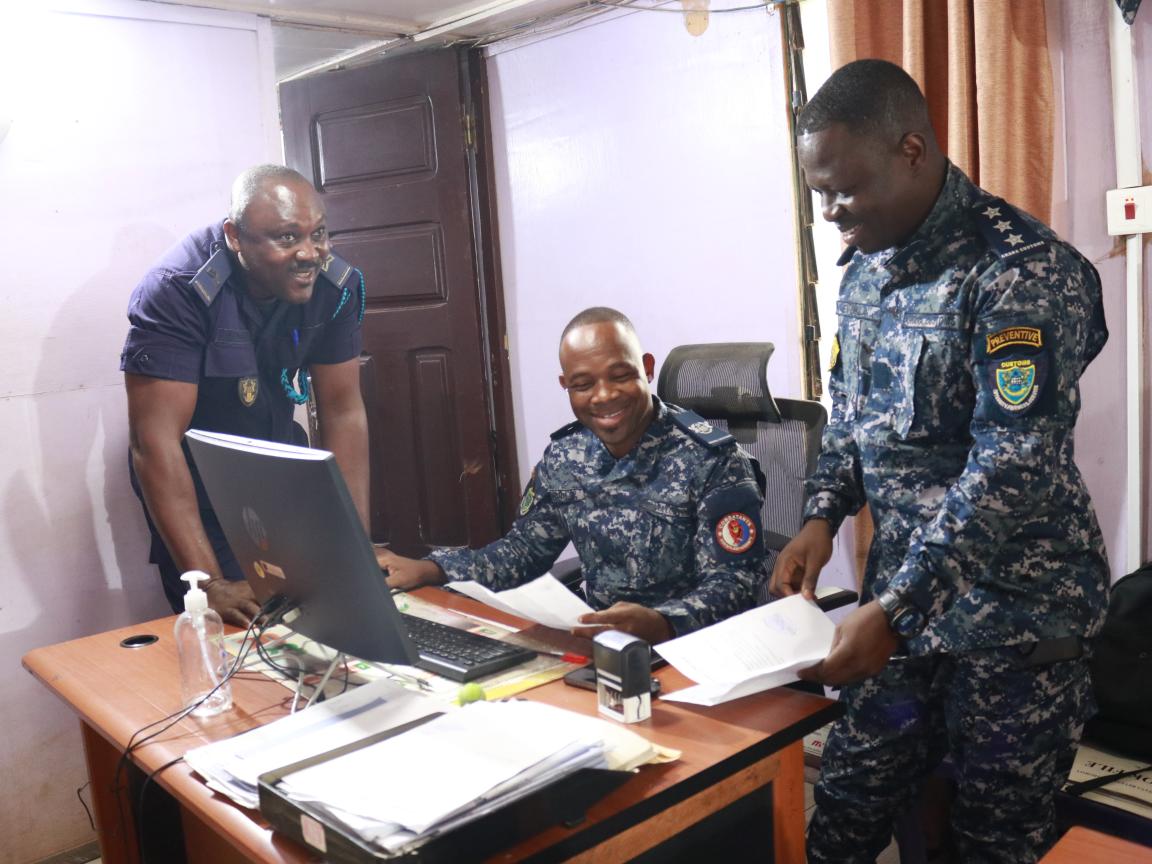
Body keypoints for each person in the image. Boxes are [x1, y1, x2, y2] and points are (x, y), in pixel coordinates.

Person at [770, 59, 1109, 863]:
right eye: (818, 193)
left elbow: (1013, 466)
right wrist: (821, 513)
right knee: (846, 807)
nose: (829, 213)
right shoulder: (864, 273)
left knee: (991, 841)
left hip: (1018, 624)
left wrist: (894, 609)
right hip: (906, 619)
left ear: (913, 150)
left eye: (844, 190)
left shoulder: (1019, 271)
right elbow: (852, 410)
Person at [381, 307, 766, 644]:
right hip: (599, 643)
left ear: (646, 368)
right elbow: (524, 552)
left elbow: (734, 585)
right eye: (583, 384)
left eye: (620, 375)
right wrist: (432, 568)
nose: (603, 396)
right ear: (566, 386)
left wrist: (663, 622)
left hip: (690, 650)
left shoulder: (712, 460)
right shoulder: (566, 455)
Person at [122, 164, 372, 627]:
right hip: (195, 485)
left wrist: (353, 542)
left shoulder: (337, 286)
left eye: (319, 233)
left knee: (321, 613)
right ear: (235, 236)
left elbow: (343, 411)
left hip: (277, 466)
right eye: (286, 238)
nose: (309, 253)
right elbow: (154, 441)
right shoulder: (178, 288)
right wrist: (209, 584)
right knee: (235, 628)